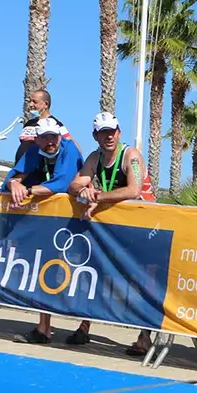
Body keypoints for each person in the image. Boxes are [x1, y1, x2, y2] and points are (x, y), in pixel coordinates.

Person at [67, 112, 156, 352]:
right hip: (114, 224)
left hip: (145, 226)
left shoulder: (131, 156)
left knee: (143, 280)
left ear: (119, 132)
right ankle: (85, 326)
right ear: (95, 136)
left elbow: (133, 189)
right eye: (103, 132)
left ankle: (145, 337)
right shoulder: (95, 157)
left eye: (112, 131)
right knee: (96, 269)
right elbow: (74, 184)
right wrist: (84, 191)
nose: (109, 136)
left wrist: (97, 196)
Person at [3, 117, 87, 344]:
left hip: (77, 218)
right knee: (45, 269)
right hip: (50, 222)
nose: (51, 141)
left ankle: (84, 326)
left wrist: (27, 189)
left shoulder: (68, 150)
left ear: (60, 136)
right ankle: (44, 328)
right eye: (45, 137)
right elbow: (9, 179)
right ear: (37, 139)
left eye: (54, 136)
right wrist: (14, 185)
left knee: (83, 272)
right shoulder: (34, 151)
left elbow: (62, 183)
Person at [15, 89, 72, 163]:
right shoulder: (29, 123)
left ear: (46, 104)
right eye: (30, 101)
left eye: (35, 102)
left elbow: (71, 144)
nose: (30, 105)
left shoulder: (55, 124)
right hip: (21, 169)